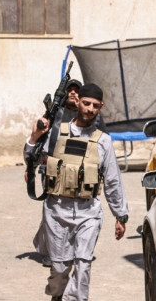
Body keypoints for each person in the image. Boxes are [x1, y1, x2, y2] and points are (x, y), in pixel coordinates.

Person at [24, 83, 128, 301]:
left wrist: (120, 215)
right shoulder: (56, 132)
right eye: (86, 103)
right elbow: (31, 157)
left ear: (101, 107)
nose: (90, 109)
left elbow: (112, 180)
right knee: (60, 269)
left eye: (95, 105)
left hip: (88, 211)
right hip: (56, 210)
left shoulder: (104, 141)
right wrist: (34, 137)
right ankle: (57, 295)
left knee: (83, 264)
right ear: (78, 101)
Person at [33, 79, 107, 267]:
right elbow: (39, 141)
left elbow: (103, 143)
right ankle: (52, 250)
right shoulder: (55, 113)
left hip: (83, 170)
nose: (73, 93)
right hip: (53, 167)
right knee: (53, 209)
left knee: (82, 210)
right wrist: (31, 168)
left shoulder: (91, 116)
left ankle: (77, 249)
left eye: (76, 91)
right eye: (69, 91)